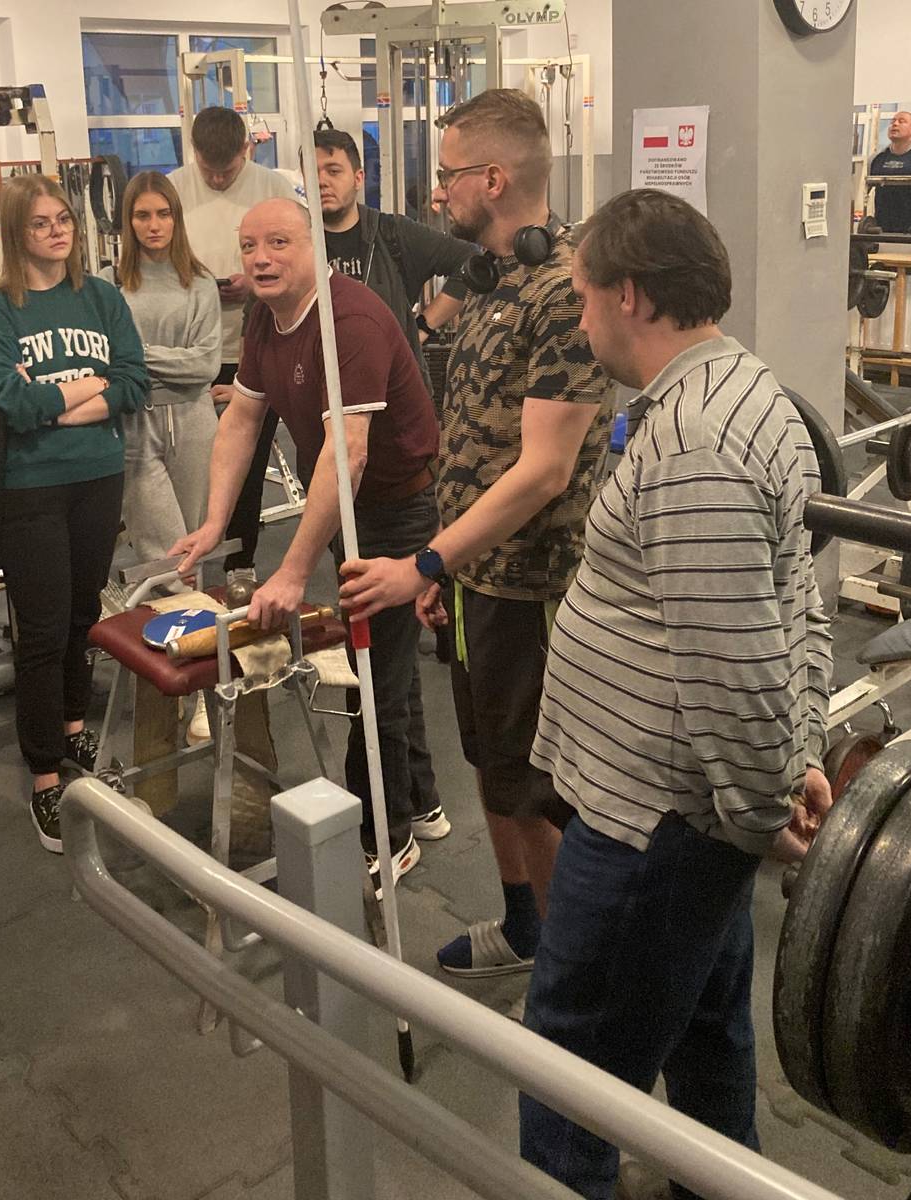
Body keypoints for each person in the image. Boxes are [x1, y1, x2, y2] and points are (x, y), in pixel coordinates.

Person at [518, 188, 834, 1198]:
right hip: (690, 817)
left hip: (651, 828)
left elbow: (735, 666)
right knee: (702, 1031)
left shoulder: (696, 442)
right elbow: (795, 604)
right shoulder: (745, 391)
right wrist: (793, 764)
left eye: (583, 297)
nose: (578, 321)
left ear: (631, 296)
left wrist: (763, 808)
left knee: (569, 1077)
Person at [339, 90, 612, 975]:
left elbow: (544, 471)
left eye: (448, 173)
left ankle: (570, 976)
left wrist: (425, 559)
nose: (436, 192)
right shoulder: (491, 283)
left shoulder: (564, 292)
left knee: (535, 786)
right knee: (491, 766)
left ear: (492, 179)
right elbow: (468, 441)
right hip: (473, 575)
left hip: (531, 583)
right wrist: (448, 568)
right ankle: (525, 925)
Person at [171, 197, 441, 892]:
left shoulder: (347, 321)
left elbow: (347, 455)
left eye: (279, 243)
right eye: (250, 245)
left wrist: (291, 572)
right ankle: (422, 800)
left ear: (313, 248)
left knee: (373, 673)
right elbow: (241, 421)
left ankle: (386, 835)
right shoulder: (266, 317)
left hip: (397, 509)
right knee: (386, 657)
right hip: (349, 504)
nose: (260, 258)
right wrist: (214, 523)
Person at [0, 175, 149, 853]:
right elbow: (6, 401)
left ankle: (72, 730)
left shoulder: (101, 296)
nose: (57, 231)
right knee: (41, 632)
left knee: (81, 617)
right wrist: (84, 388)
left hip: (98, 477)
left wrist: (58, 405)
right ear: (18, 234)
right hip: (31, 488)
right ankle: (44, 774)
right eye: (40, 223)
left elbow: (133, 381)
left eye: (63, 219)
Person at [169, 106, 297, 586]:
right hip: (191, 353)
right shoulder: (174, 190)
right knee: (192, 468)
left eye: (228, 170)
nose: (219, 180)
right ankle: (183, 572)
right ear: (194, 153)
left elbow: (301, 259)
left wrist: (256, 286)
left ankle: (241, 564)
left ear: (247, 149)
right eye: (210, 171)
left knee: (247, 464)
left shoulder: (274, 189)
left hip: (256, 350)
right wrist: (201, 284)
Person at [108, 172, 221, 565]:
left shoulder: (201, 284)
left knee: (193, 546)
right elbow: (108, 361)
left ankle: (193, 606)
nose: (153, 225)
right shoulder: (111, 285)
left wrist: (135, 353)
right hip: (135, 420)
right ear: (129, 221)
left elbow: (205, 365)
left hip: (194, 419)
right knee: (159, 550)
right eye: (142, 215)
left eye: (163, 213)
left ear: (176, 218)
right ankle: (173, 606)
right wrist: (169, 359)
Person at [312, 127, 473, 396]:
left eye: (333, 171)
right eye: (312, 172)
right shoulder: (296, 243)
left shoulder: (392, 234)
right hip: (325, 392)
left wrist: (423, 326)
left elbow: (470, 261)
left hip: (396, 392)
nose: (321, 181)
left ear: (358, 178)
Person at [869, 110, 911, 234]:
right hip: (882, 231)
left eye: (901, 121)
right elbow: (866, 192)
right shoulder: (877, 159)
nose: (895, 124)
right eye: (893, 121)